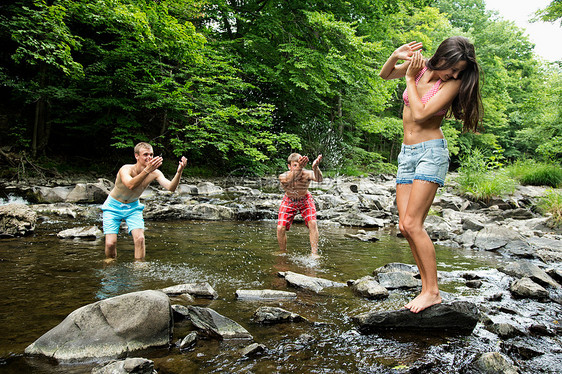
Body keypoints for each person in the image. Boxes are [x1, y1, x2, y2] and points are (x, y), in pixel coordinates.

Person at [379, 37, 482, 313]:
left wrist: (411, 80)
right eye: (454, 67)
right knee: (404, 226)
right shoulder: (420, 66)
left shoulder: (451, 84)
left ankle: (433, 292)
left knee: (413, 224)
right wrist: (395, 55)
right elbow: (385, 73)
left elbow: (422, 113)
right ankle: (425, 287)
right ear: (442, 58)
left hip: (430, 153)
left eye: (460, 71)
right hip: (407, 154)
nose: (456, 74)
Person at [102, 142, 187, 260]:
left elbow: (171, 188)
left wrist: (179, 172)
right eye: (145, 154)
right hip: (113, 206)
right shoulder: (126, 169)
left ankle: (139, 268)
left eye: (151, 154)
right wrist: (147, 170)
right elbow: (131, 185)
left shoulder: (155, 173)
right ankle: (110, 264)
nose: (149, 157)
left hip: (133, 207)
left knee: (140, 239)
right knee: (110, 243)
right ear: (137, 156)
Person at [277, 153, 323, 256]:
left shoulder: (306, 173)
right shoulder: (283, 176)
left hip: (305, 199)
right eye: (294, 165)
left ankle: (314, 253)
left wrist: (315, 167)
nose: (298, 167)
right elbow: (288, 180)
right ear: (289, 166)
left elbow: (319, 179)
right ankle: (282, 252)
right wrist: (299, 168)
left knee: (313, 223)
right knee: (280, 228)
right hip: (289, 200)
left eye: (299, 164)